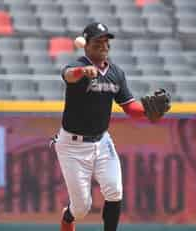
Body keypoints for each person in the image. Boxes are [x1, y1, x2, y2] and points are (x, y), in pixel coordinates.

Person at [53, 22, 170, 231]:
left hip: (101, 141)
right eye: (98, 42)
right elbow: (68, 75)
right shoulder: (78, 66)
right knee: (81, 209)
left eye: (106, 42)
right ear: (87, 45)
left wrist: (146, 110)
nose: (104, 46)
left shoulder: (116, 73)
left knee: (115, 191)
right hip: (72, 146)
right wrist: (82, 71)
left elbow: (130, 107)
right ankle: (67, 217)